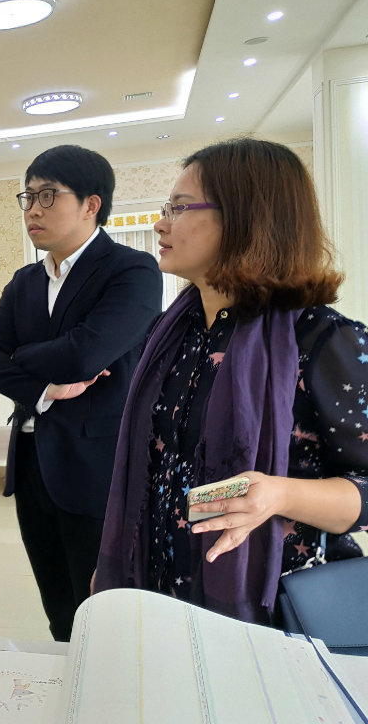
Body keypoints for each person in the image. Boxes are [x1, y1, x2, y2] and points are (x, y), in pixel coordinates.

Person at [94, 138, 368, 624]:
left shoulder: (323, 340)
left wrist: (280, 495)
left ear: (246, 219)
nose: (160, 224)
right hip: (161, 591)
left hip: (274, 605)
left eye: (179, 207)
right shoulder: (169, 333)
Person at [0, 144, 163, 641]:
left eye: (48, 195)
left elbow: (85, 354)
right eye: (28, 196)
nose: (32, 209)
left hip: (97, 467)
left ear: (91, 204)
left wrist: (18, 354)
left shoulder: (132, 270)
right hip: (32, 463)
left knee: (104, 611)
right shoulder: (25, 281)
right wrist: (43, 387)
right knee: (58, 609)